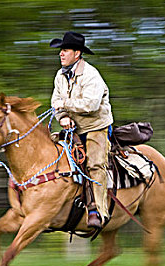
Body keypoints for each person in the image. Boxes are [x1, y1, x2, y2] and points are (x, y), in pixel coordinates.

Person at [50, 31, 114, 229]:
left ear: (77, 54)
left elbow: (91, 105)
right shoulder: (60, 75)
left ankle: (101, 212)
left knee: (95, 164)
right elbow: (55, 102)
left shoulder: (91, 75)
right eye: (61, 50)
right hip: (73, 128)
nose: (61, 54)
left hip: (96, 127)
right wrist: (63, 117)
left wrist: (65, 105)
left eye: (65, 50)